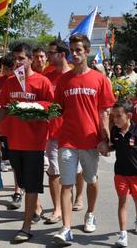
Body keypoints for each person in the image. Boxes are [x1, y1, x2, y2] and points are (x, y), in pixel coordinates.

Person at [52, 34, 115, 245]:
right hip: (67, 140)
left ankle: (90, 213)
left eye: (79, 50)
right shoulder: (63, 80)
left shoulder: (100, 79)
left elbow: (105, 112)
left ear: (87, 52)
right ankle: (66, 228)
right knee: (66, 183)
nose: (75, 54)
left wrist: (105, 138)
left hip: (90, 140)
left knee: (91, 180)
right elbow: (57, 109)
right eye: (73, 50)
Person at [0, 43, 54, 242]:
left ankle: (25, 228)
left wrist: (34, 109)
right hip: (15, 141)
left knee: (32, 185)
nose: (17, 62)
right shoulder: (10, 82)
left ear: (30, 59)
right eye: (15, 58)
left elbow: (53, 107)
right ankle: (35, 208)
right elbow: (4, 107)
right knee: (25, 184)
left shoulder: (42, 82)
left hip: (35, 143)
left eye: (21, 58)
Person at [43, 40, 84, 225]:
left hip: (73, 132)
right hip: (52, 131)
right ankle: (58, 208)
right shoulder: (47, 74)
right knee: (54, 171)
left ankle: (80, 197)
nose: (48, 56)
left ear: (61, 55)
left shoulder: (75, 74)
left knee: (78, 170)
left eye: (50, 53)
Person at [110, 101, 137, 248]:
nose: (115, 119)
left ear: (128, 116)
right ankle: (123, 235)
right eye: (113, 116)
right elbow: (113, 147)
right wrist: (104, 147)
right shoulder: (114, 131)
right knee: (122, 201)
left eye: (118, 116)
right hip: (120, 172)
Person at [0, 54, 23, 209]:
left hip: (19, 129)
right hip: (3, 129)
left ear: (12, 68)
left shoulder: (21, 81)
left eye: (4, 68)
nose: (2, 71)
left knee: (18, 163)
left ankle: (18, 191)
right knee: (8, 161)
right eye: (1, 68)